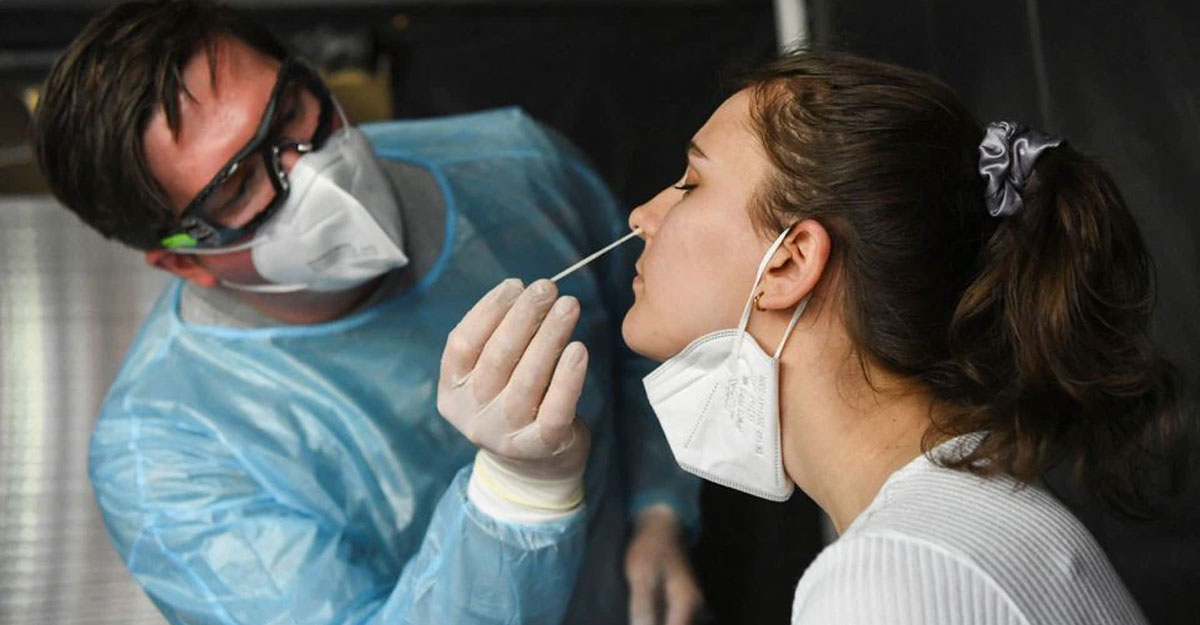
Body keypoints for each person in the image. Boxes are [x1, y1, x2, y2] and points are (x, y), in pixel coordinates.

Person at [460, 50, 1190, 624]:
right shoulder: (974, 519)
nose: (642, 216)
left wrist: (515, 494)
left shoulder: (893, 576)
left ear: (789, 261)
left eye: (690, 183)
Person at [32, 1, 703, 624]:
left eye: (289, 110)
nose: (313, 172)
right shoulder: (169, 457)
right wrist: (518, 493)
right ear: (186, 263)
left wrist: (659, 513)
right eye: (237, 186)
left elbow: (648, 343)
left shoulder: (514, 162)